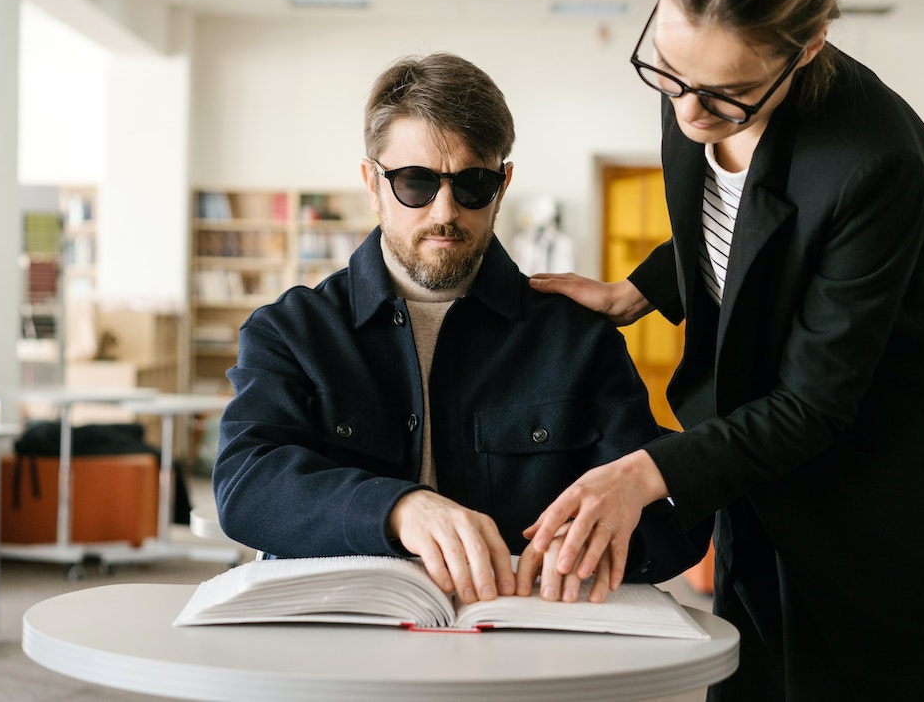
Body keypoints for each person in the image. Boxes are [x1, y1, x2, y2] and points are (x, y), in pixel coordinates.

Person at [524, 0, 924, 701]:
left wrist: (644, 472)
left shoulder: (873, 161)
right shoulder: (696, 82)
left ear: (808, 46)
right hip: (764, 489)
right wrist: (636, 292)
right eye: (668, 71)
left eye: (726, 94)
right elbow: (735, 231)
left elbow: (815, 402)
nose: (687, 111)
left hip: (886, 517)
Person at [213, 52, 710, 607]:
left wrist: (606, 541)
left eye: (473, 184)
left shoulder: (575, 337)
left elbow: (670, 516)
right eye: (415, 183)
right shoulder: (291, 331)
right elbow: (247, 483)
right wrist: (397, 508)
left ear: (503, 183)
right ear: (371, 183)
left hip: (527, 647)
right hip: (342, 647)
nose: (445, 211)